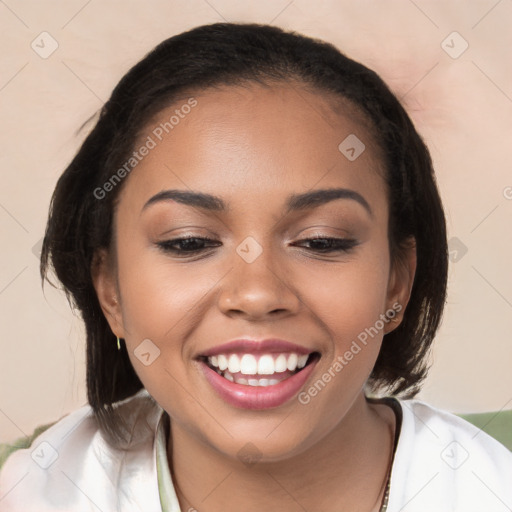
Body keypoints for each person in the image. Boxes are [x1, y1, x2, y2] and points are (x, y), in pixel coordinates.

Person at [0, 22, 511, 512]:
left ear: (396, 283)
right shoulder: (26, 490)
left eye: (321, 241)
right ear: (110, 290)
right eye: (190, 241)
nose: (258, 292)